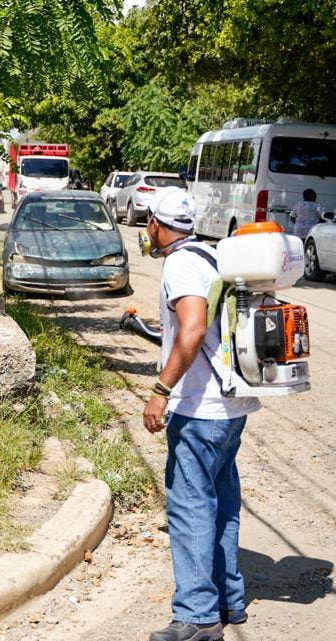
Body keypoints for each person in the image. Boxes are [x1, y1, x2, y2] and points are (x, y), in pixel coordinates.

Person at [141, 187, 261, 641]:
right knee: (222, 504)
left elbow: (192, 328)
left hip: (200, 409)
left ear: (155, 224)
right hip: (231, 406)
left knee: (191, 508)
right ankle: (229, 600)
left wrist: (161, 390)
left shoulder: (180, 264)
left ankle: (197, 616)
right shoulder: (209, 255)